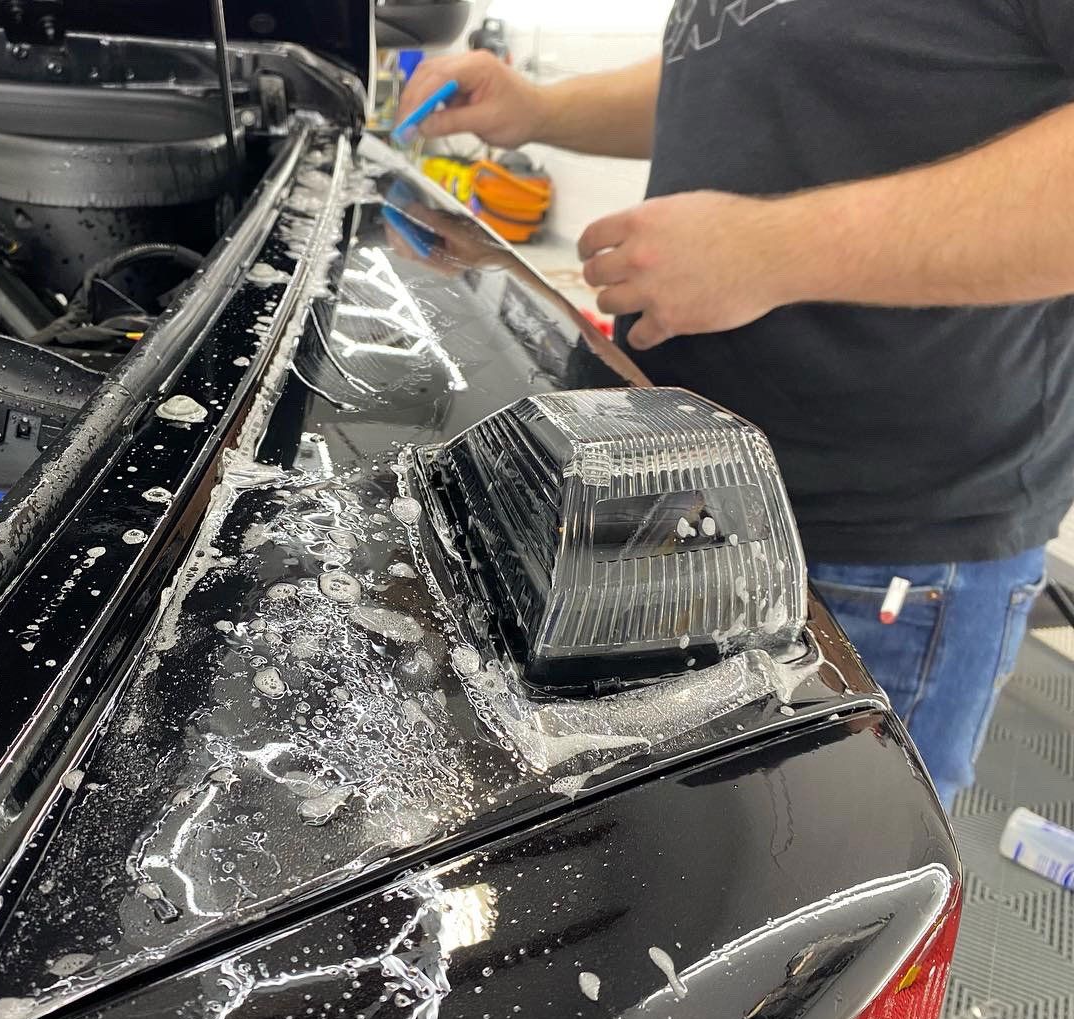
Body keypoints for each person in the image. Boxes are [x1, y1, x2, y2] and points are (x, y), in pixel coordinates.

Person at [396, 3, 1074, 808]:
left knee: (832, 871)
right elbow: (734, 72)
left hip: (877, 548)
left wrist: (775, 249)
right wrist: (541, 109)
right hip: (664, 504)